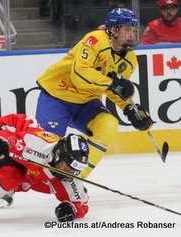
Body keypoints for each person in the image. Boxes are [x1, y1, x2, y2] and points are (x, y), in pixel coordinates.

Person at [35, 8, 154, 179]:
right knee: (44, 147)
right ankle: (9, 185)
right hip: (58, 95)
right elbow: (79, 74)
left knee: (109, 124)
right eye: (127, 29)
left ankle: (78, 176)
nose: (132, 35)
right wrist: (112, 84)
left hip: (86, 102)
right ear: (113, 30)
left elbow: (115, 88)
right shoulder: (95, 40)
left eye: (134, 30)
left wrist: (130, 108)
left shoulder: (130, 60)